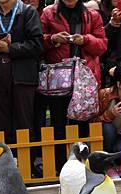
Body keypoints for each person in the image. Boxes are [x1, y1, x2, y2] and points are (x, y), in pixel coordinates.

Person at [40, 0, 107, 168]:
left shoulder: (93, 15)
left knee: (82, 124)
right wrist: (53, 39)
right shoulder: (49, 13)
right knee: (58, 123)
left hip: (84, 79)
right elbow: (38, 43)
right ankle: (59, 165)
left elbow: (102, 45)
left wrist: (85, 40)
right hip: (58, 79)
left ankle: (82, 164)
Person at [0, 0, 44, 144]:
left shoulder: (28, 12)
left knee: (24, 122)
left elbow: (37, 45)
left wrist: (10, 48)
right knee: (0, 123)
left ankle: (27, 164)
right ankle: (4, 164)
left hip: (22, 76)